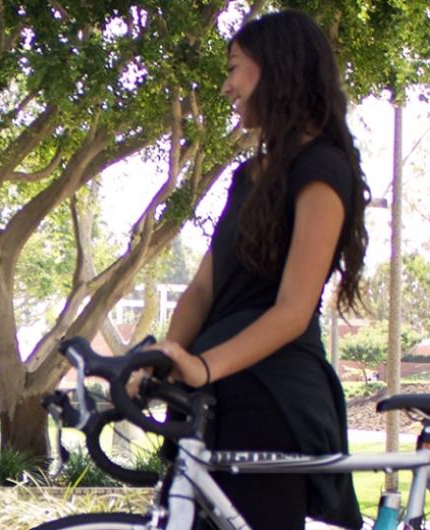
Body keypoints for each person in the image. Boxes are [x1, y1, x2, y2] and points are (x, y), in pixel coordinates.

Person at [144, 10, 367, 530]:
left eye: (235, 67)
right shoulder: (248, 176)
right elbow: (204, 286)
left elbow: (293, 309)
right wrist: (167, 357)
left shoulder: (323, 168)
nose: (227, 86)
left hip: (270, 398)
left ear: (277, 68)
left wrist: (204, 366)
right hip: (216, 393)